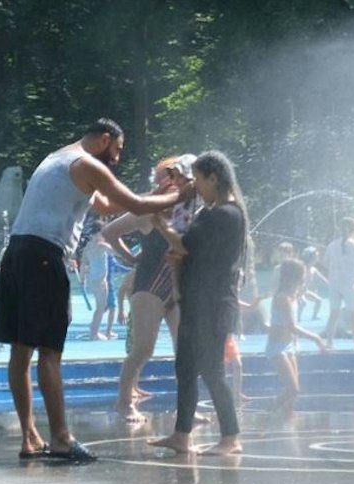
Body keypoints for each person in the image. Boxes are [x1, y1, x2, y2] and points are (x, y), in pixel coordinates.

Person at [0, 120, 190, 462]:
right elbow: (133, 204)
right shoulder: (87, 163)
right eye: (117, 149)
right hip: (44, 256)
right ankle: (61, 439)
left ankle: (29, 437)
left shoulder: (58, 158)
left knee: (20, 350)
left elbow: (104, 205)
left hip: (17, 252)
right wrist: (181, 194)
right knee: (50, 352)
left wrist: (157, 196)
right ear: (104, 139)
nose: (117, 157)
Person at [145, 151, 250, 456]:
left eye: (200, 179)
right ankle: (182, 434)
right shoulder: (210, 212)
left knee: (211, 370)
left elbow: (183, 244)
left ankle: (231, 436)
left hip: (214, 304)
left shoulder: (226, 215)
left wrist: (158, 222)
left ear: (213, 178)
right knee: (186, 367)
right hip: (196, 301)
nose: (196, 187)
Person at [102, 154, 200, 421]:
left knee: (186, 350)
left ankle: (188, 406)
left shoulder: (190, 209)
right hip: (149, 287)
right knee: (144, 348)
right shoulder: (148, 210)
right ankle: (124, 403)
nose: (176, 185)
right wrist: (130, 258)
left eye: (180, 179)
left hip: (177, 287)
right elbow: (110, 232)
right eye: (171, 179)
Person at [265, 257, 328, 418]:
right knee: (293, 388)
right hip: (277, 347)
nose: (305, 278)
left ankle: (288, 424)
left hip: (289, 346)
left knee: (293, 393)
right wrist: (316, 338)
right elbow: (291, 326)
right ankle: (266, 414)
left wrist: (296, 343)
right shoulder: (282, 298)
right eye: (303, 275)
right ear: (295, 277)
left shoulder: (293, 296)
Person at [323, 217, 354, 349]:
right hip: (349, 283)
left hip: (334, 283)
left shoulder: (332, 245)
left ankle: (329, 342)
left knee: (334, 313)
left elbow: (325, 263)